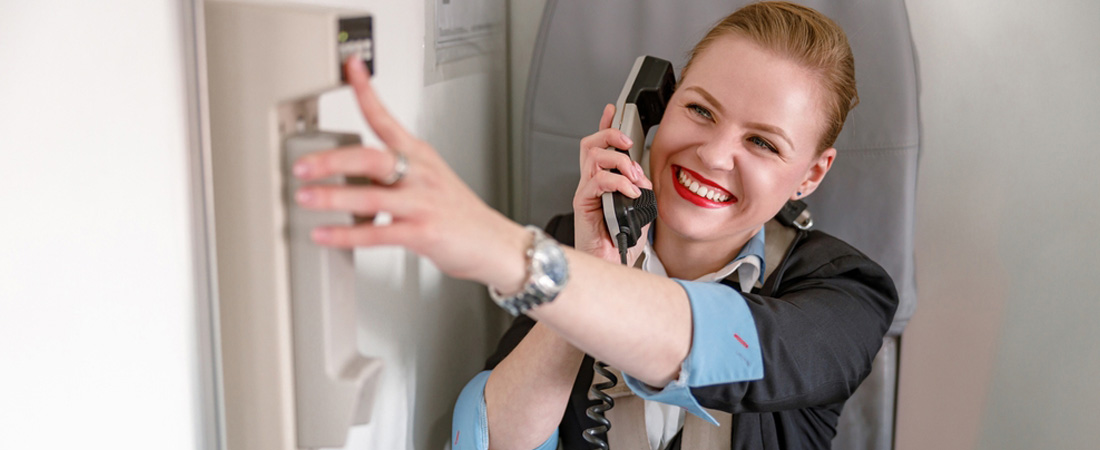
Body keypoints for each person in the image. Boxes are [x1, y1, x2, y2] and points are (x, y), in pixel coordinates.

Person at [292, 2, 897, 449]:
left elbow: (717, 347)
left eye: (762, 142)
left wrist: (507, 251)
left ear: (810, 175)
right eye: (699, 109)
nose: (713, 155)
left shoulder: (847, 294)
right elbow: (491, 440)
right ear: (655, 106)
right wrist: (594, 264)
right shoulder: (573, 244)